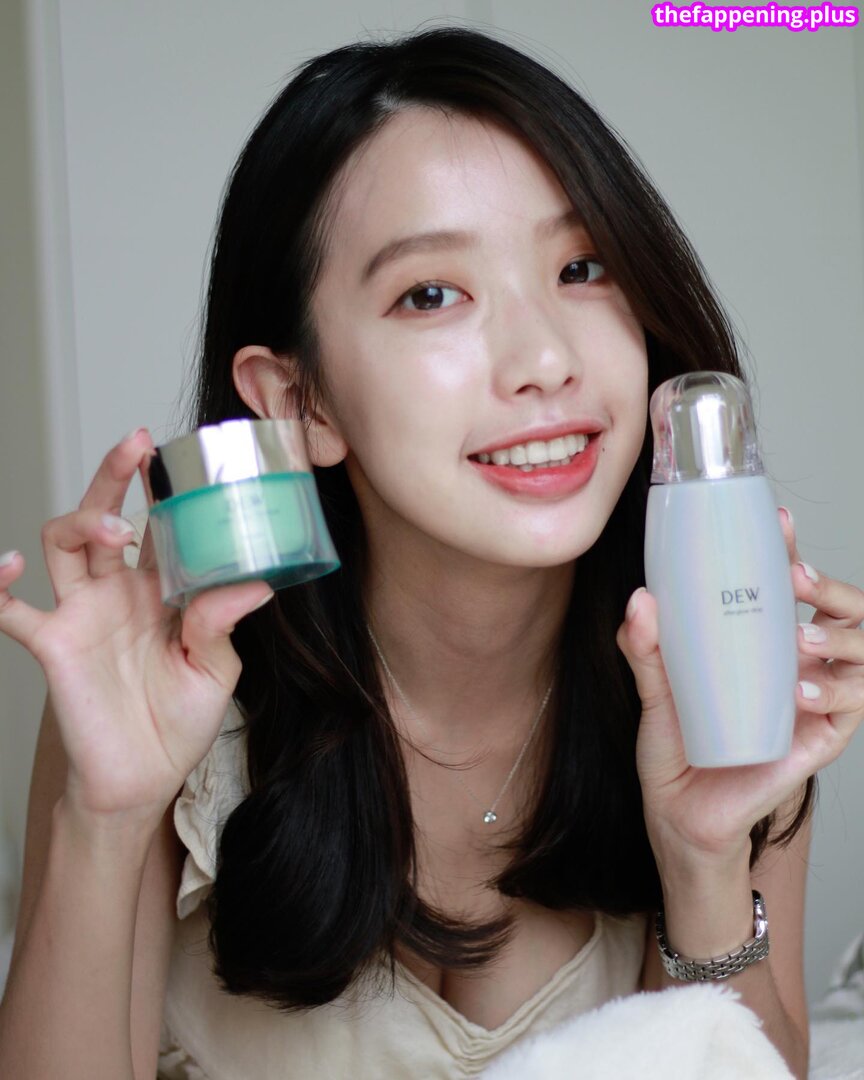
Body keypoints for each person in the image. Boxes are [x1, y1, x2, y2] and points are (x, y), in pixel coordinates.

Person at [0, 26, 860, 1080]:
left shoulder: (721, 670)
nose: (544, 359)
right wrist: (105, 817)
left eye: (582, 267)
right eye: (432, 294)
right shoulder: (161, 690)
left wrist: (705, 861)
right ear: (299, 401)